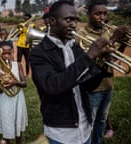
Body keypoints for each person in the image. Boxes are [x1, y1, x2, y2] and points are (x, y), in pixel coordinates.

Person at [29, 1, 113, 144]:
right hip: (60, 133)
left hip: (85, 128)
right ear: (52, 21)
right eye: (68, 20)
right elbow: (54, 86)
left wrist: (101, 63)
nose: (74, 25)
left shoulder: (75, 47)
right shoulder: (39, 53)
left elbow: (88, 86)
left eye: (75, 20)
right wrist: (88, 57)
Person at [76, 1, 128, 143]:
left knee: (101, 121)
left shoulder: (108, 30)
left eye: (105, 13)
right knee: (89, 123)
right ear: (88, 15)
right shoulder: (81, 34)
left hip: (108, 84)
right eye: (98, 13)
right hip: (92, 86)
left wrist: (122, 42)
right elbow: (90, 60)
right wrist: (113, 39)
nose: (102, 17)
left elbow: (113, 58)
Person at [0, 41, 28, 144]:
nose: (7, 56)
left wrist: (14, 82)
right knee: (6, 125)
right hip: (5, 100)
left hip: (18, 98)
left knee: (18, 124)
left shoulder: (18, 65)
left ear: (12, 52)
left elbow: (24, 83)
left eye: (9, 53)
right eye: (3, 54)